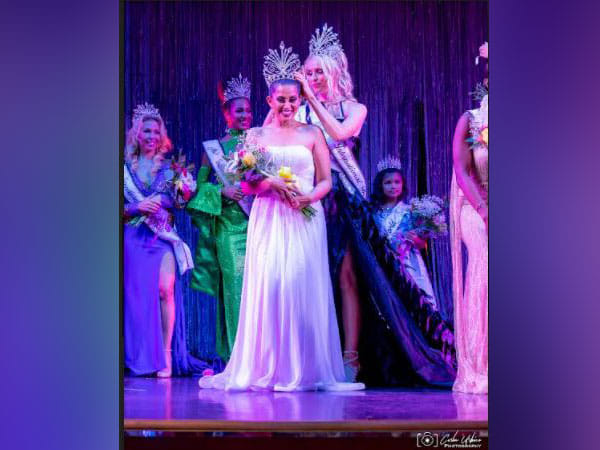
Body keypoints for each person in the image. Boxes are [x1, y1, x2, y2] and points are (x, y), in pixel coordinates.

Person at [199, 42, 364, 391]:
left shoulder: (312, 133)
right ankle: (268, 365)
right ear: (270, 101)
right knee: (271, 286)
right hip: (268, 217)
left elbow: (325, 180)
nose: (287, 106)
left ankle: (304, 367)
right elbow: (247, 182)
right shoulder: (256, 135)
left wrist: (307, 197)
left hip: (304, 217)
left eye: (293, 100)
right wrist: (270, 183)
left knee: (299, 286)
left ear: (300, 100)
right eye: (281, 100)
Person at [292, 24, 368, 382]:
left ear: (334, 72)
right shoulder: (298, 112)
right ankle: (309, 354)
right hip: (309, 198)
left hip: (343, 200)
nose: (312, 78)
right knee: (307, 275)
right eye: (307, 73)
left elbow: (339, 134)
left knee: (346, 276)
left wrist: (312, 99)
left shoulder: (355, 108)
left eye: (318, 72)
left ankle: (350, 356)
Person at [345, 160, 456, 387]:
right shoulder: (372, 212)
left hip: (409, 266)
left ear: (403, 185)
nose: (393, 186)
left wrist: (416, 239)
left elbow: (423, 244)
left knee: (417, 308)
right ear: (380, 185)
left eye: (397, 182)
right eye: (388, 183)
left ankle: (423, 355)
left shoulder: (411, 211)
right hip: (384, 271)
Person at [123, 103, 210, 377]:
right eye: (146, 131)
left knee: (165, 291)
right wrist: (136, 207)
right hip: (134, 238)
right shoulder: (124, 170)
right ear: (137, 134)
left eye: (155, 131)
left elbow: (181, 204)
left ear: (162, 136)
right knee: (137, 299)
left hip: (163, 238)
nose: (151, 136)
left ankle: (166, 354)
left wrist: (181, 195)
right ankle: (139, 355)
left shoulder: (171, 169)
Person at [186, 74, 253, 362]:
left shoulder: (260, 142)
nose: (245, 115)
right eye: (239, 110)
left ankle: (261, 357)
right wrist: (221, 190)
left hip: (259, 223)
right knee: (235, 284)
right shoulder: (213, 149)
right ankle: (237, 356)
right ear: (227, 113)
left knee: (260, 288)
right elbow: (198, 189)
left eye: (248, 110)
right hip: (229, 225)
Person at [449, 43, 489, 394]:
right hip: (476, 205)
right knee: (486, 262)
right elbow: (462, 170)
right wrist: (484, 209)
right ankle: (482, 362)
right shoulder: (472, 120)